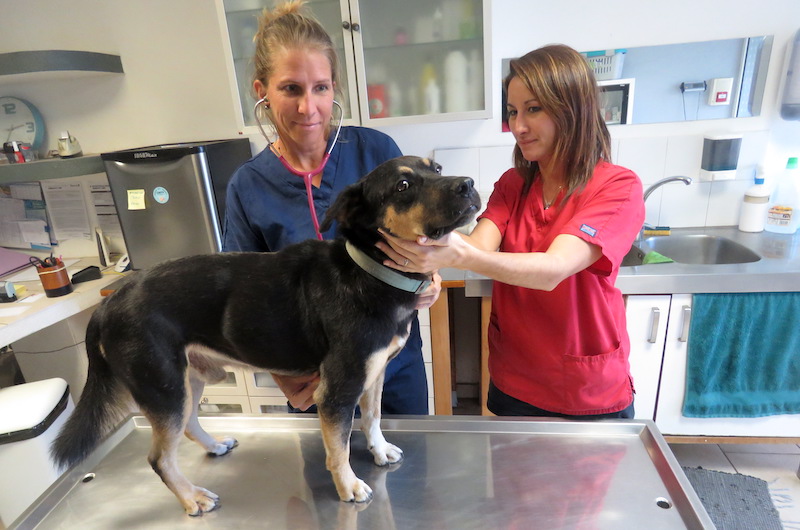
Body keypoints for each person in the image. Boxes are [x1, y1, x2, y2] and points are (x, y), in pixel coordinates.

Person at [378, 44, 645, 419]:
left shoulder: (617, 187)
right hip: (513, 380)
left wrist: (459, 253)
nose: (518, 126)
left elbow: (553, 269)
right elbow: (477, 246)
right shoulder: (513, 183)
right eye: (513, 112)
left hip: (583, 389)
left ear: (572, 107)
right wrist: (426, 247)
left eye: (533, 109)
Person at [222, 0, 435, 414]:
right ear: (261, 91)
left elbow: (421, 241)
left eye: (320, 87)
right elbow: (242, 299)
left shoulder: (378, 153)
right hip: (309, 378)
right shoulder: (248, 186)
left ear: (334, 86)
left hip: (392, 368)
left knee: (412, 471)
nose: (309, 107)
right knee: (326, 479)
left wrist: (431, 276)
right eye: (291, 89)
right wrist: (283, 376)